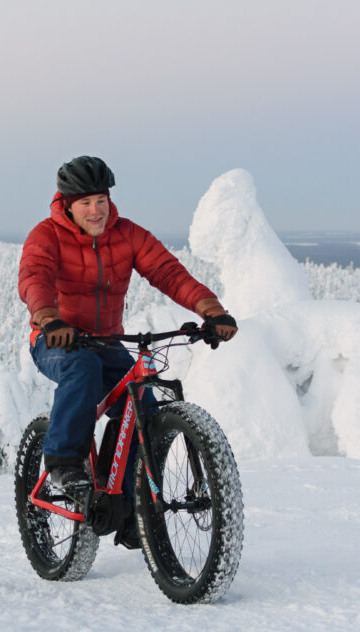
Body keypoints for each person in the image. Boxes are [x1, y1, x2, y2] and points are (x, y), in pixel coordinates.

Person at [18, 156, 237, 547]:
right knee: (82, 369)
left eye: (101, 200)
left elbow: (168, 273)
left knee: (144, 404)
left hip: (107, 342)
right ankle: (65, 463)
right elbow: (35, 276)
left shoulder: (128, 235)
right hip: (56, 340)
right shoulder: (46, 235)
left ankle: (124, 502)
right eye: (85, 202)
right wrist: (49, 318)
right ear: (67, 203)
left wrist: (210, 309)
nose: (96, 210)